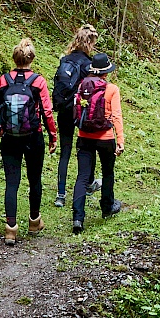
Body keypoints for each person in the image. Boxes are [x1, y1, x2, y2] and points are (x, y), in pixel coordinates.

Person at [0, 38, 57, 245]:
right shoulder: (38, 81)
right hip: (33, 137)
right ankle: (34, 221)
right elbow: (47, 111)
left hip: (10, 138)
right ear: (31, 58)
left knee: (12, 183)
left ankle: (10, 228)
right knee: (34, 179)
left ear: (15, 58)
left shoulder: (3, 80)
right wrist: (53, 136)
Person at [72, 52, 125, 235]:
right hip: (105, 137)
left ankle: (78, 217)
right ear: (106, 72)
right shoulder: (112, 89)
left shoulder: (82, 85)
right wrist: (120, 140)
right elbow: (116, 116)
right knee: (108, 172)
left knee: (82, 176)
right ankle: (107, 207)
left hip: (84, 136)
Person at [52, 24, 98, 208]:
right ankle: (87, 185)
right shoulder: (88, 64)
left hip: (63, 109)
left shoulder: (65, 60)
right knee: (86, 149)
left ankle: (60, 194)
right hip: (80, 110)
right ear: (89, 43)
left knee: (65, 151)